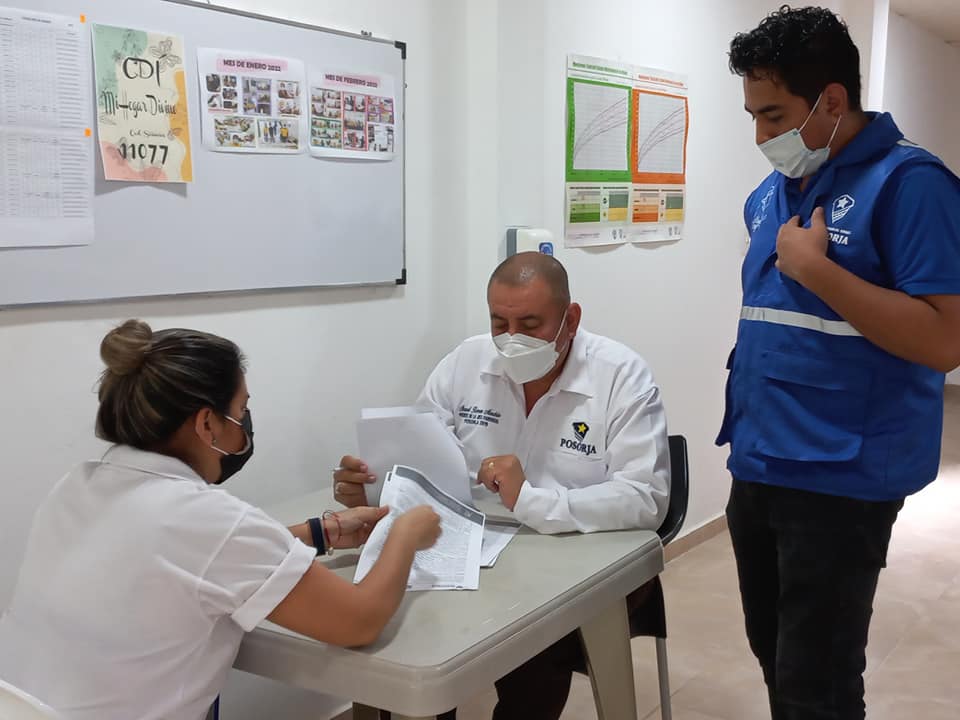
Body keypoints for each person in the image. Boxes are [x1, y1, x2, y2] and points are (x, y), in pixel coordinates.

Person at [0, 320, 441, 720]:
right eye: (241, 409)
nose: (244, 425)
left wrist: (316, 534)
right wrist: (403, 533)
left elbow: (187, 561)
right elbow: (358, 622)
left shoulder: (78, 485)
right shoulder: (205, 518)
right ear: (207, 424)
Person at [719, 6, 960, 719]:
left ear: (831, 100)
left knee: (817, 683)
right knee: (776, 657)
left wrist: (819, 272)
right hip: (760, 460)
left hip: (840, 477)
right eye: (752, 116)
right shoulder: (772, 192)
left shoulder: (912, 184)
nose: (759, 137)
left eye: (773, 115)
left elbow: (946, 341)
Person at [336, 252, 670, 720]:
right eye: (499, 323)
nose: (512, 339)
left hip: (579, 562)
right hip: (473, 554)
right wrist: (376, 488)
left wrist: (530, 499)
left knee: (535, 649)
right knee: (407, 626)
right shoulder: (465, 362)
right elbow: (417, 459)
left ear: (571, 319)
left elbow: (646, 498)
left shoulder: (621, 376)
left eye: (530, 325)